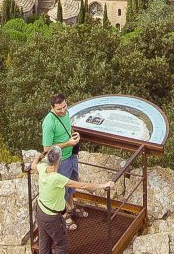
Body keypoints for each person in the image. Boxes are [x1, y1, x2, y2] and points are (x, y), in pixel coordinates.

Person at [31, 146, 113, 253]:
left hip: (41, 210)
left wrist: (37, 157)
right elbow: (82, 185)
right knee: (61, 244)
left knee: (44, 241)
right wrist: (103, 185)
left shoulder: (42, 168)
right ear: (59, 161)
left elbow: (33, 166)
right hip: (52, 217)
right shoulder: (57, 178)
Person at [42, 93, 82, 230]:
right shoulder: (49, 123)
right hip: (61, 160)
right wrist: (67, 143)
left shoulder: (66, 112)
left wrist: (74, 134)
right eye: (59, 109)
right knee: (63, 189)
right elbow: (47, 148)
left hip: (71, 155)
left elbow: (68, 127)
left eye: (65, 106)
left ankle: (71, 208)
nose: (63, 111)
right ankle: (64, 216)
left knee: (72, 183)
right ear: (52, 107)